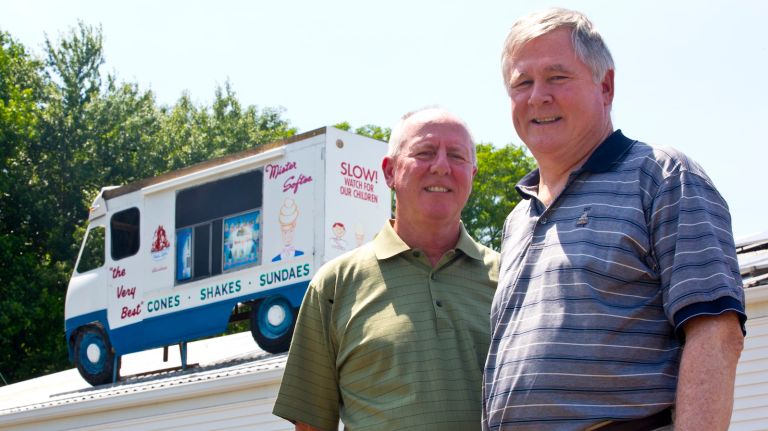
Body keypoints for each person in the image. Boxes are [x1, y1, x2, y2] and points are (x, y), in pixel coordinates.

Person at [483, 8, 746, 431]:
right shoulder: (518, 219)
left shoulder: (663, 177)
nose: (537, 97)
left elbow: (716, 335)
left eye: (557, 77)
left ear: (605, 86)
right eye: (522, 83)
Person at [273, 107, 500, 430]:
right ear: (390, 172)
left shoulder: (512, 279)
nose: (441, 166)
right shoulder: (334, 286)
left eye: (457, 156)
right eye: (424, 152)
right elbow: (312, 424)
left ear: (473, 175)